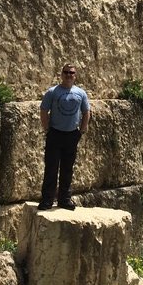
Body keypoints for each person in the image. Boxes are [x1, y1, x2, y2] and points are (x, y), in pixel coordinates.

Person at [39, 63, 90, 210]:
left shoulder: (81, 93)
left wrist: (82, 129)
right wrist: (46, 128)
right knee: (51, 168)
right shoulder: (52, 92)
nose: (69, 75)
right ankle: (47, 199)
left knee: (68, 169)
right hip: (55, 133)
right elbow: (44, 110)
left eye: (71, 73)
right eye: (66, 72)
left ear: (75, 76)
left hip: (71, 135)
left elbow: (86, 112)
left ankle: (64, 199)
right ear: (61, 74)